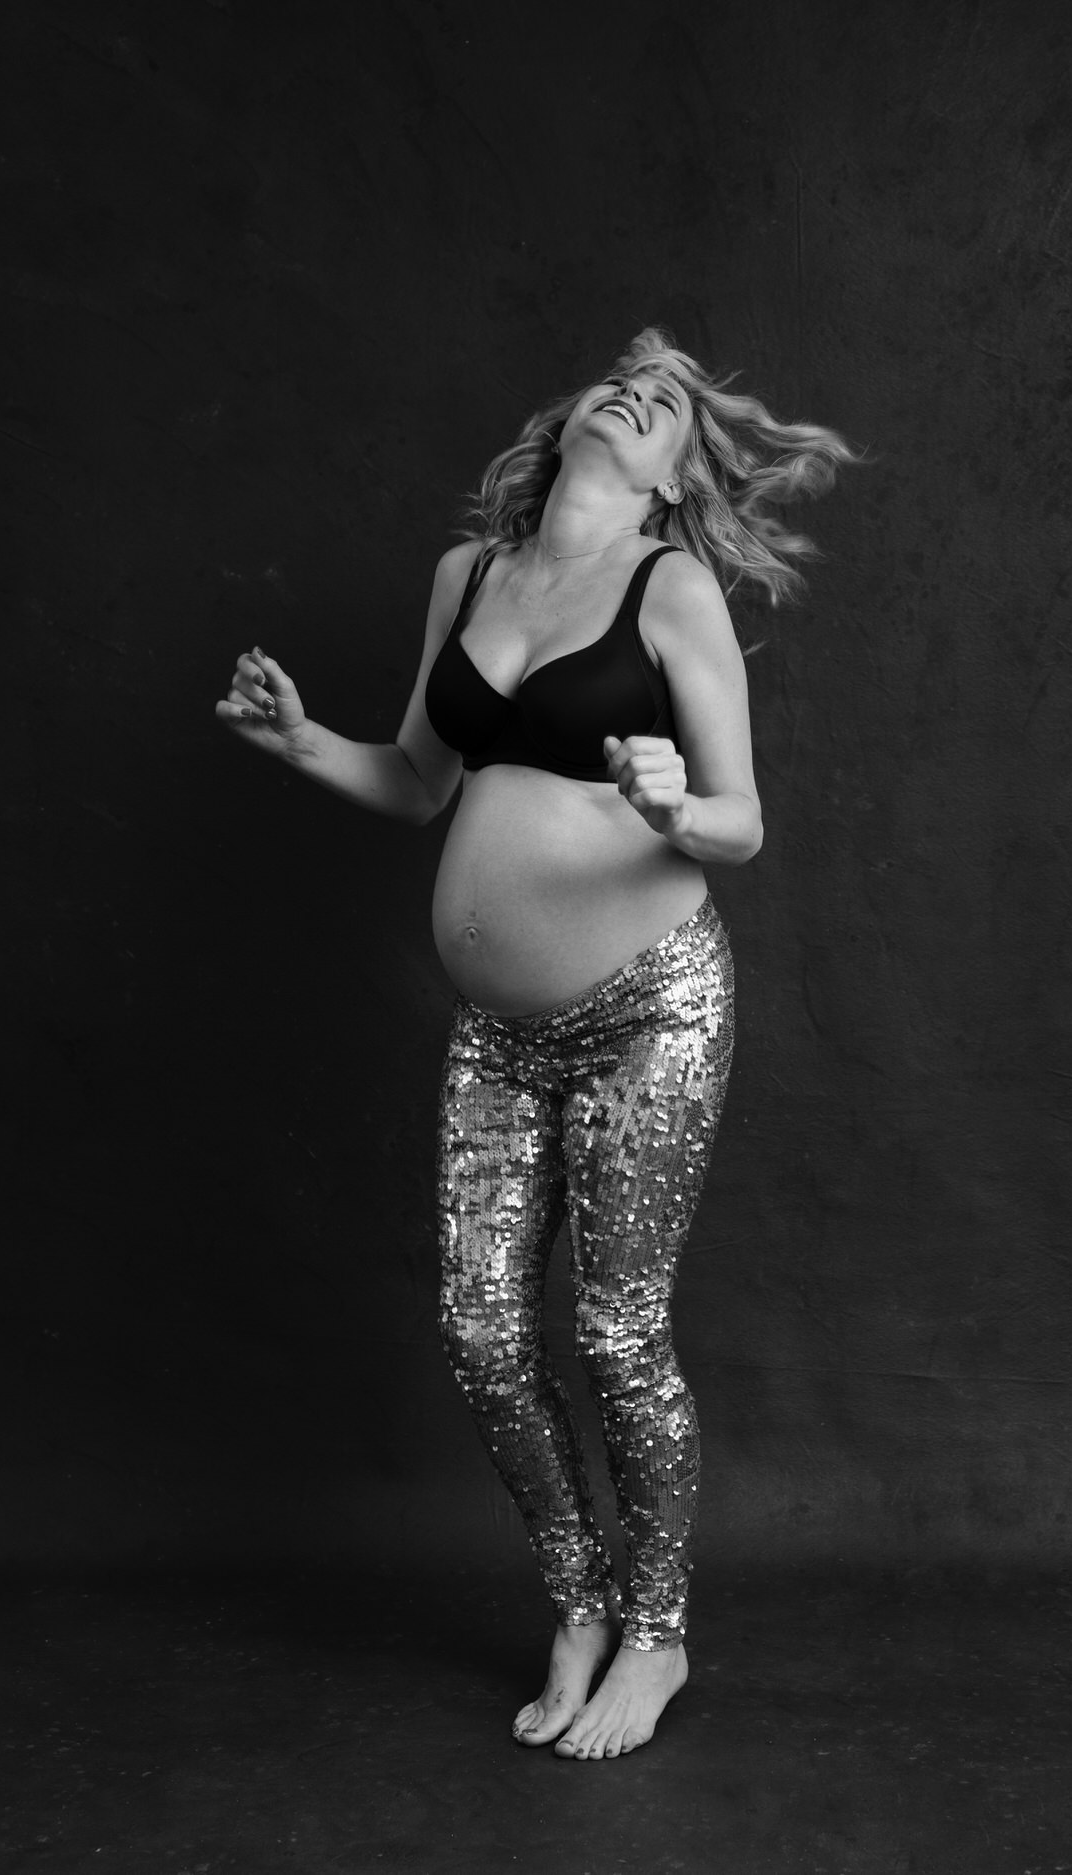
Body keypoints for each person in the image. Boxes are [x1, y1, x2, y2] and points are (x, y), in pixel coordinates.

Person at [216, 329, 853, 1760]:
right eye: (627, 378)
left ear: (677, 474)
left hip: (650, 1005)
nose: (642, 392)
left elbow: (742, 822)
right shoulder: (470, 574)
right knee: (481, 1330)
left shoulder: (669, 588)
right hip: (499, 1032)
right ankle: (576, 1603)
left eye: (673, 403)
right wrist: (300, 739)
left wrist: (669, 805)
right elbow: (416, 780)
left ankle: (660, 1634)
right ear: (572, 419)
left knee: (619, 1333)